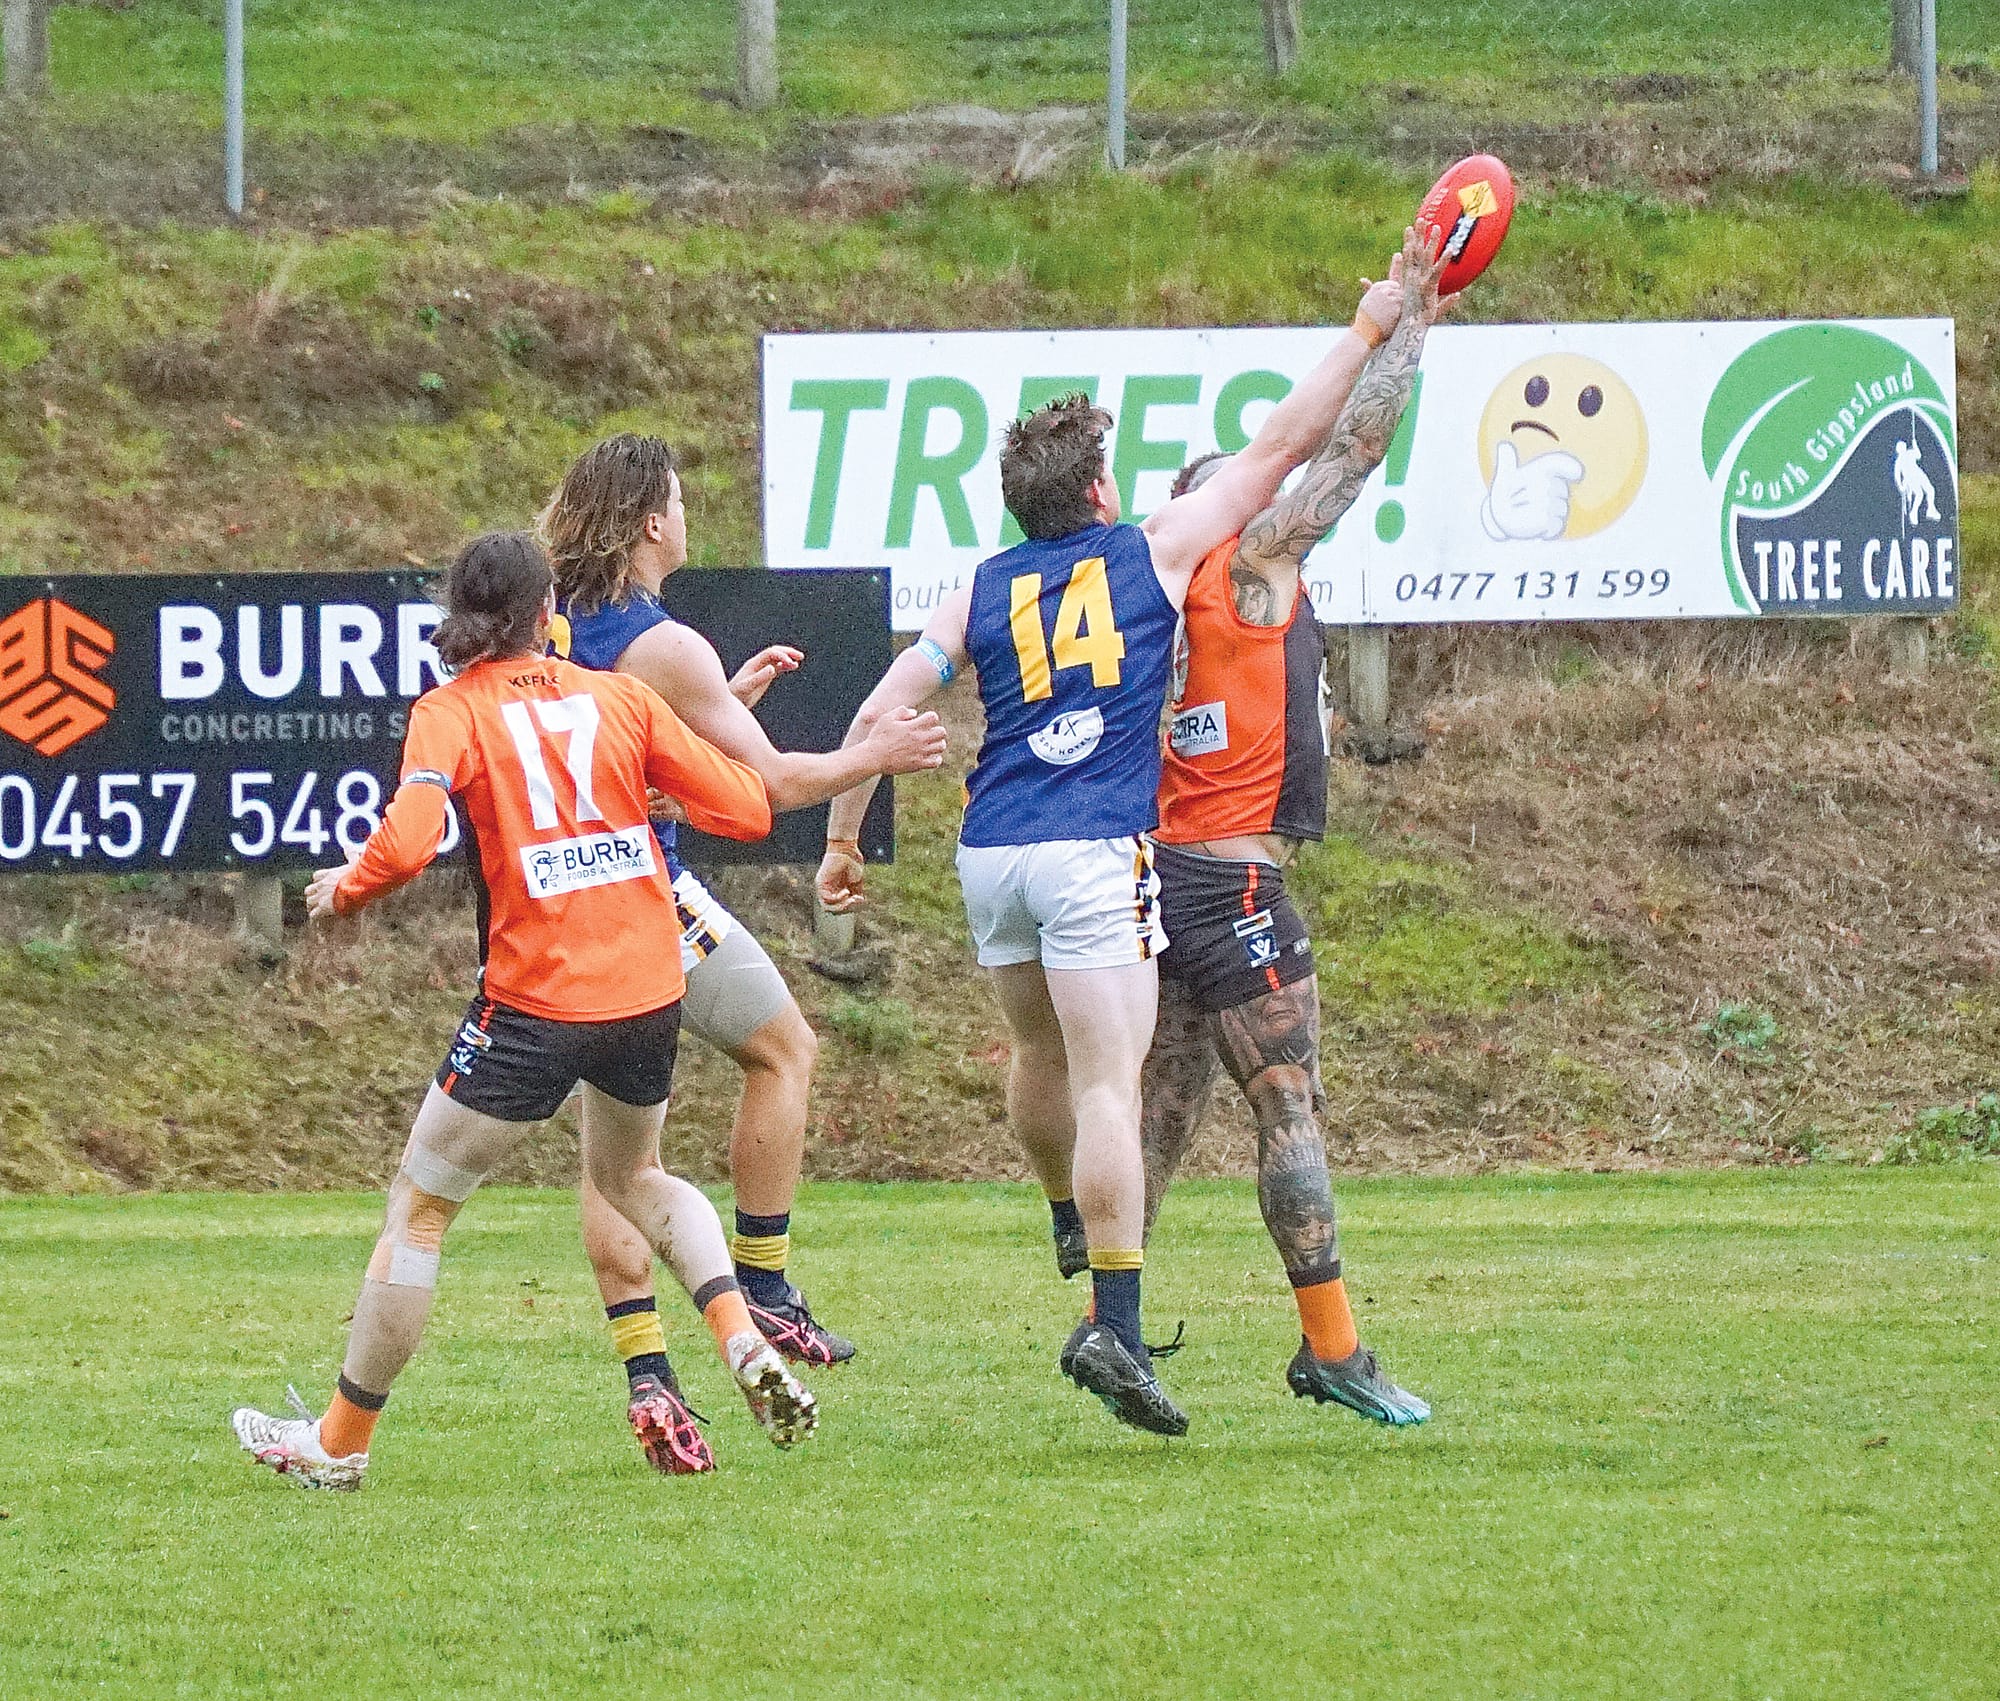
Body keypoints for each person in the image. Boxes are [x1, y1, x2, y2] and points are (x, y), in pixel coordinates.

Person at [815, 227, 1437, 1437]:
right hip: (1162, 867)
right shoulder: (1197, 561)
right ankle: (1238, 1333)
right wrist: (1390, 322)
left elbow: (888, 700)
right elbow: (1317, 446)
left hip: (1019, 852)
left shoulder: (998, 580)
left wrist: (843, 836)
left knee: (1085, 1084)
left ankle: (1082, 1240)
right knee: (1207, 1100)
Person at [231, 532, 817, 1487]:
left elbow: (414, 838)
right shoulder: (622, 698)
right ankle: (740, 1335)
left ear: (457, 620)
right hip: (645, 992)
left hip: (535, 1000)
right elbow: (749, 810)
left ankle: (339, 1445)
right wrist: (651, 798)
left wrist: (347, 889)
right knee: (639, 1177)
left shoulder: (449, 711)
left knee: (419, 1210)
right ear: (550, 615)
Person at [536, 435, 947, 1473]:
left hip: (559, 901)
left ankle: (649, 1378)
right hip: (642, 893)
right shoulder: (661, 642)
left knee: (614, 1152)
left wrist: (730, 705)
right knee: (782, 1051)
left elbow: (630, 757)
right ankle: (763, 1289)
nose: (686, 515)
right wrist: (879, 755)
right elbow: (765, 789)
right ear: (646, 523)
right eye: (675, 501)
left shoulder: (552, 625)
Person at [1138, 230, 1443, 1427]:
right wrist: (1411, 316)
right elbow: (1351, 448)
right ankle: (1332, 1348)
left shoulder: (1141, 582)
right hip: (1235, 884)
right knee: (1287, 1105)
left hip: (1156, 874)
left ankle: (1111, 1323)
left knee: (1162, 1102)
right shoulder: (1251, 559)